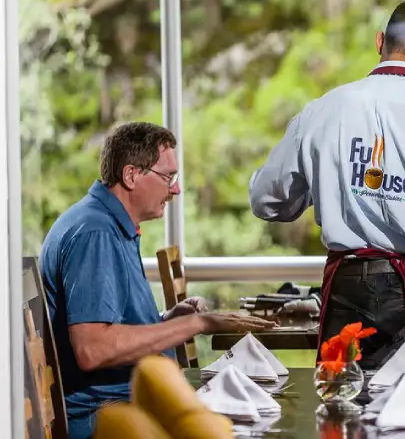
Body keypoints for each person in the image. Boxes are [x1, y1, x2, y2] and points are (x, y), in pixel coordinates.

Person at [249, 0, 405, 379]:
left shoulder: (323, 110)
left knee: (345, 408)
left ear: (380, 41)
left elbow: (267, 201)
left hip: (349, 290)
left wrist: (321, 189)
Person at [40, 122, 276, 439]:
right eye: (168, 177)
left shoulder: (108, 223)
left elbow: (109, 325)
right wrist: (197, 325)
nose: (176, 189)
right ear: (131, 175)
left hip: (129, 403)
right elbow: (92, 348)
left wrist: (166, 319)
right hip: (110, 418)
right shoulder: (95, 233)